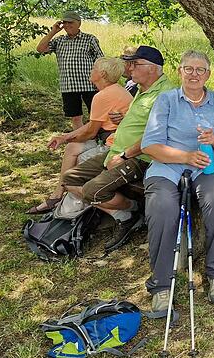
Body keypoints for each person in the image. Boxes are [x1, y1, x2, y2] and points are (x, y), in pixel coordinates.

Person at [142, 50, 214, 311]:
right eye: (189, 69)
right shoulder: (166, 100)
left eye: (200, 70)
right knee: (162, 207)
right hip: (168, 165)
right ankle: (162, 285)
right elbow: (150, 145)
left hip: (209, 164)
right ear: (179, 71)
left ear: (208, 74)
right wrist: (185, 156)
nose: (194, 74)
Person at [61, 46, 174, 249]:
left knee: (92, 191)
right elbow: (140, 123)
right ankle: (129, 212)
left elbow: (154, 136)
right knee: (68, 178)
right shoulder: (142, 89)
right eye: (129, 63)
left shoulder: (165, 95)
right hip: (116, 151)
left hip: (140, 157)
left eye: (134, 64)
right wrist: (123, 120)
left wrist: (123, 156)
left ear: (152, 68)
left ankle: (133, 212)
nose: (128, 68)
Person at [27, 57, 133, 214]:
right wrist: (65, 138)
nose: (90, 71)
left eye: (93, 69)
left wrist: (67, 137)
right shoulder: (115, 90)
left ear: (102, 74)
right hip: (111, 141)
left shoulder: (103, 96)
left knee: (78, 161)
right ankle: (57, 194)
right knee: (72, 147)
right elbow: (91, 127)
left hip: (114, 146)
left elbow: (90, 132)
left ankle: (91, 210)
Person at [36, 11, 104, 130]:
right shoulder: (59, 40)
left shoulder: (89, 39)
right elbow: (40, 49)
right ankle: (79, 139)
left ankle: (99, 139)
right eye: (65, 23)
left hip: (89, 84)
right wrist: (53, 31)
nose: (67, 25)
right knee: (75, 117)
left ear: (79, 23)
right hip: (69, 85)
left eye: (70, 22)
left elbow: (100, 60)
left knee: (96, 115)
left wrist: (100, 82)